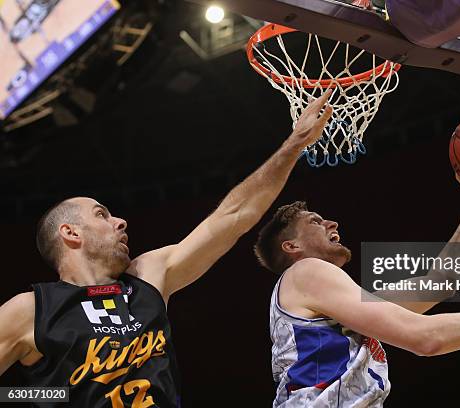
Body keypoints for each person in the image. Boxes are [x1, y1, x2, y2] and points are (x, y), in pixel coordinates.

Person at [0, 90, 334, 407]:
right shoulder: (29, 310)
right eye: (102, 214)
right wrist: (43, 396)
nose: (120, 222)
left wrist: (294, 145)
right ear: (70, 233)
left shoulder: (147, 276)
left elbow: (233, 216)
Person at [254, 173, 460, 407]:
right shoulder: (306, 272)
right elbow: (426, 339)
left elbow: (439, 283)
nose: (332, 222)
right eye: (316, 221)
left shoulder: (336, 305)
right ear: (292, 246)